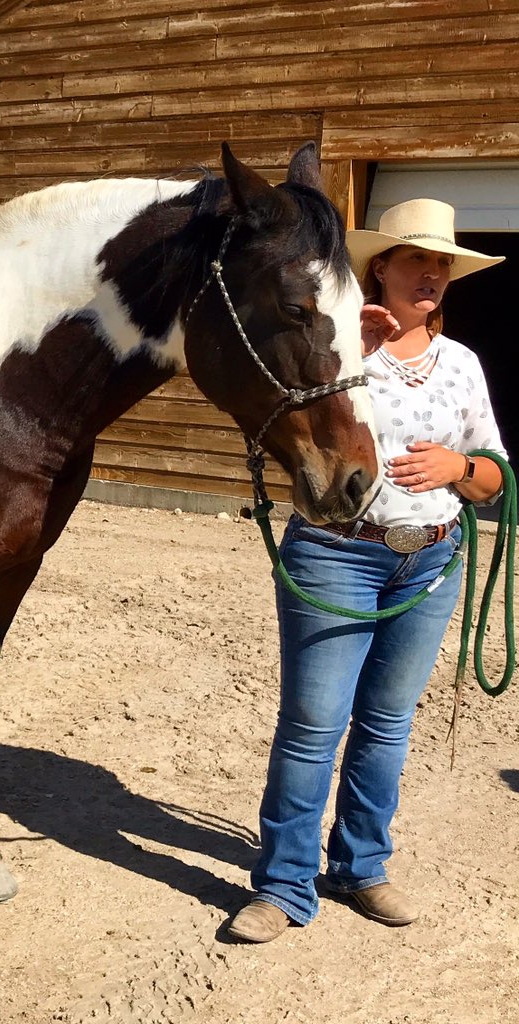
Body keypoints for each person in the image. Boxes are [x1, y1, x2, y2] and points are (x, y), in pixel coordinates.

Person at [228, 198, 508, 943]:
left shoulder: (463, 366)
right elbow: (275, 418)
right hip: (336, 552)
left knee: (386, 725)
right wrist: (351, 338)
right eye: (418, 258)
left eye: (443, 263)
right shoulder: (335, 349)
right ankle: (285, 885)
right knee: (313, 727)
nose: (433, 274)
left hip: (432, 559)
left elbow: (499, 477)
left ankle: (360, 866)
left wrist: (464, 466)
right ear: (378, 266)